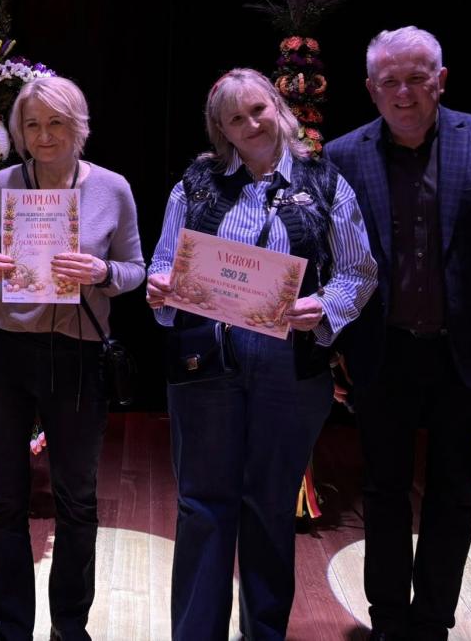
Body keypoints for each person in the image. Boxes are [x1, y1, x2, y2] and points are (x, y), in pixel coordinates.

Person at [324, 26, 471, 640]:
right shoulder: (343, 156)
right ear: (371, 88)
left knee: (455, 495)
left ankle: (431, 625)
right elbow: (330, 260)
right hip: (383, 353)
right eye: (390, 81)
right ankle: (388, 621)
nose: (404, 92)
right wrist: (331, 348)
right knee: (383, 491)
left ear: (441, 80)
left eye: (417, 78)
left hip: (468, 355)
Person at [146, 67, 377, 640]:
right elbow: (162, 265)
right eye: (235, 118)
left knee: (270, 505)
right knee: (202, 505)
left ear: (278, 107)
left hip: (289, 366)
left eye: (258, 110)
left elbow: (359, 271)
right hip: (206, 363)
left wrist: (324, 306)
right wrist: (161, 290)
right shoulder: (196, 183)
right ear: (220, 129)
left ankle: (264, 634)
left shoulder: (325, 182)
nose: (251, 124)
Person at [0, 75, 145, 641]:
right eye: (32, 125)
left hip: (78, 355)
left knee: (77, 500)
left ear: (79, 126)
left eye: (56, 123)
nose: (44, 135)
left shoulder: (112, 188)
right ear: (19, 132)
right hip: (5, 351)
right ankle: (12, 631)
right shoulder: (1, 186)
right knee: (5, 502)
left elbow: (135, 270)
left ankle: (71, 628)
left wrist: (102, 272)